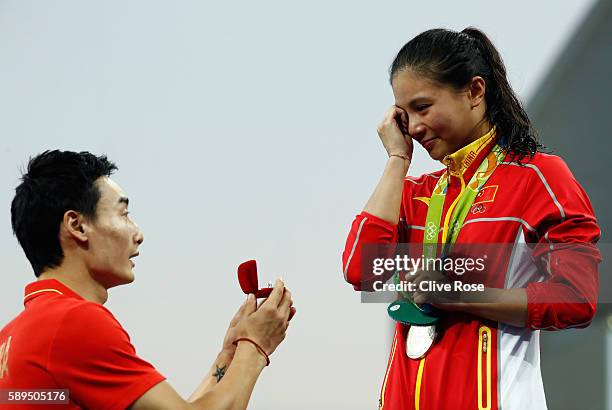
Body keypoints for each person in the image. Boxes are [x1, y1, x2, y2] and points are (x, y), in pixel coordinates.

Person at [342, 27, 600, 410]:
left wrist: (458, 294)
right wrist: (397, 160)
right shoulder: (416, 193)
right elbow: (361, 270)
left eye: (423, 107)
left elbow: (578, 298)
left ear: (475, 91)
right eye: (404, 113)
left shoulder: (537, 177)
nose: (413, 128)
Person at [0, 150, 296, 409]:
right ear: (77, 225)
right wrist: (256, 344)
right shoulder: (74, 322)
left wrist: (228, 357)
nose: (138, 234)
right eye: (124, 214)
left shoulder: (13, 336)